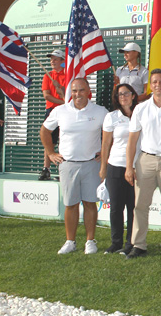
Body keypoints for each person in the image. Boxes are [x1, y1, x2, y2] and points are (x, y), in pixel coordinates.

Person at [40, 78, 108, 255]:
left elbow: (112, 132)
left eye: (81, 90)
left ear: (88, 91)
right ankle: (70, 241)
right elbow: (45, 131)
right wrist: (51, 153)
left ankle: (90, 241)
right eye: (75, 91)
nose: (78, 94)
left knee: (90, 203)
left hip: (91, 164)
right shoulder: (60, 110)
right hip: (67, 164)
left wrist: (104, 151)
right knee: (70, 204)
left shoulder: (100, 111)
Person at [125, 68, 161, 259]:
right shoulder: (141, 108)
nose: (157, 85)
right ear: (151, 85)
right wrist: (129, 166)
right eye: (154, 82)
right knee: (140, 205)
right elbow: (132, 140)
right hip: (146, 161)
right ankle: (139, 244)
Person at [99, 84, 140, 255]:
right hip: (115, 166)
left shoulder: (140, 113)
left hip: (137, 167)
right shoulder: (111, 117)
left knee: (133, 207)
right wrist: (103, 167)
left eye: (126, 93)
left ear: (133, 95)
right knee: (116, 207)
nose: (123, 96)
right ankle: (116, 242)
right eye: (119, 94)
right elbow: (106, 144)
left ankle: (131, 243)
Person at [39, 49, 66, 181]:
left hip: (66, 111)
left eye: (55, 59)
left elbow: (69, 96)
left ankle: (63, 170)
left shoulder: (68, 75)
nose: (52, 61)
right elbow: (46, 96)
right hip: (52, 111)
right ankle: (46, 168)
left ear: (62, 61)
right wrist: (63, 101)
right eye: (51, 59)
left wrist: (61, 90)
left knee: (64, 140)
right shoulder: (48, 75)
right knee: (49, 140)